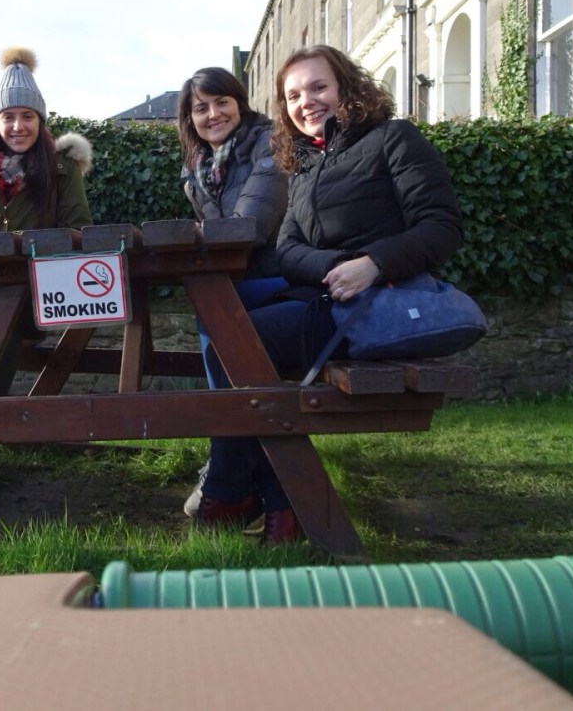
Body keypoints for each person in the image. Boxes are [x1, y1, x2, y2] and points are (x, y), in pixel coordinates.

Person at [196, 45, 463, 544]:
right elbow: (288, 250)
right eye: (294, 96)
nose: (307, 102)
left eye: (318, 87)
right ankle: (269, 498)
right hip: (324, 302)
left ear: (346, 87)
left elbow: (442, 227)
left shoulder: (394, 138)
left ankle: (243, 493)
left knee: (235, 345)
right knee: (224, 331)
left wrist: (374, 264)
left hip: (377, 307)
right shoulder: (304, 164)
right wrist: (339, 265)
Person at [0, 46, 94, 532]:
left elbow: (78, 229)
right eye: (8, 116)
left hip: (31, 298)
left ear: (41, 120)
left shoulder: (62, 168)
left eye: (28, 116)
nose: (18, 125)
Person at [175, 67, 289, 520]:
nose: (213, 114)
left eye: (221, 102)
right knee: (214, 311)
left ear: (240, 103)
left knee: (218, 318)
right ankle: (244, 478)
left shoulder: (269, 142)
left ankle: (225, 475)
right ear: (190, 119)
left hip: (284, 278)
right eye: (200, 108)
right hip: (239, 282)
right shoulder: (198, 166)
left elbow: (252, 226)